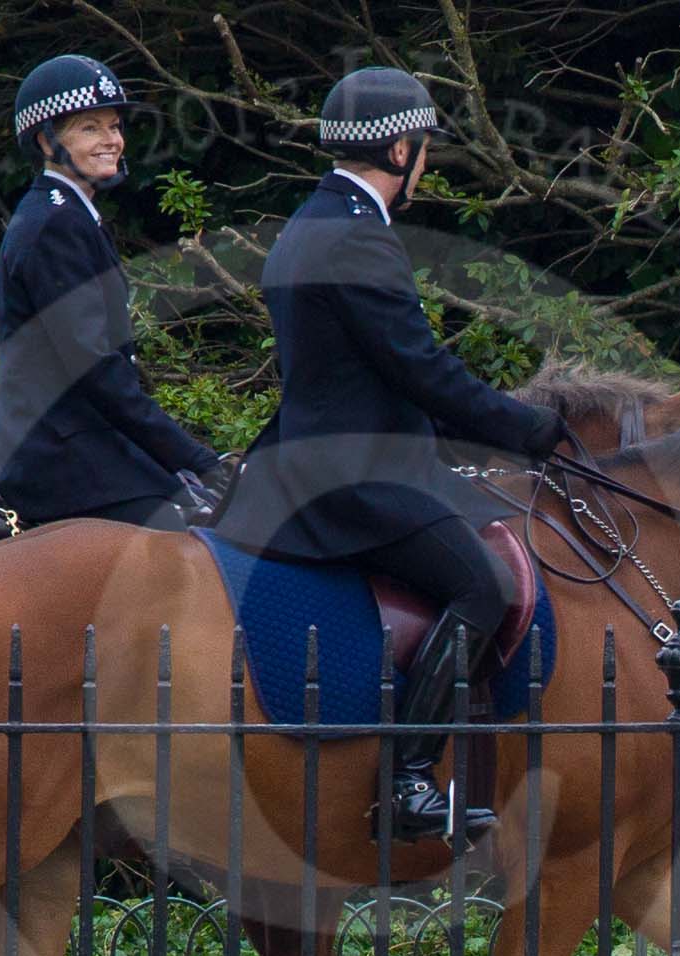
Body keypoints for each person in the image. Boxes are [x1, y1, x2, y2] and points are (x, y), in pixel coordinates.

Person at [217, 66, 566, 844]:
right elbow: (422, 369)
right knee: (480, 585)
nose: (426, 164)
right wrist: (531, 428)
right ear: (401, 148)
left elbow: (368, 376)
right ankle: (408, 777)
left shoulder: (307, 222)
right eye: (423, 149)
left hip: (313, 463)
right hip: (354, 480)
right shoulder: (359, 238)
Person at [0, 53, 229, 532]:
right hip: (63, 454)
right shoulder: (55, 225)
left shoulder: (69, 216)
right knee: (190, 553)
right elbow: (96, 370)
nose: (112, 140)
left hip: (92, 443)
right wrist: (198, 458)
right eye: (90, 128)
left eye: (114, 126)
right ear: (46, 141)